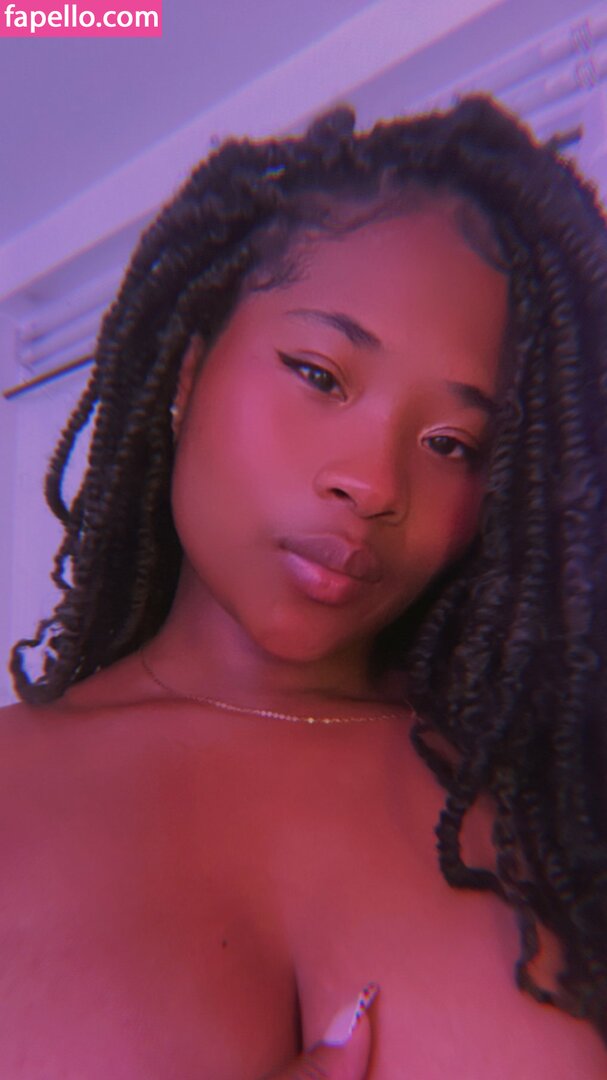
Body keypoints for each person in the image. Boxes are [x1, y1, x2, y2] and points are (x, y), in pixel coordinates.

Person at [2, 95, 606, 1079]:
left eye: (451, 443)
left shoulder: (557, 806)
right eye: (320, 374)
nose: (373, 484)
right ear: (190, 371)